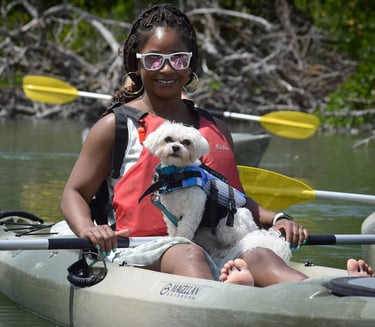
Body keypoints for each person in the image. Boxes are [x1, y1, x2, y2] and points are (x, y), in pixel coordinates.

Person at [61, 4, 373, 287]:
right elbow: (74, 192)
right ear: (137, 63)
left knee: (262, 256)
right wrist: (89, 228)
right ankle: (230, 294)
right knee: (188, 253)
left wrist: (277, 218)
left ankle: (332, 293)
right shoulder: (114, 126)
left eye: (178, 59)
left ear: (191, 63)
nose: (167, 69)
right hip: (144, 247)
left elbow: (232, 198)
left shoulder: (215, 128)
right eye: (154, 60)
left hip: (217, 245)